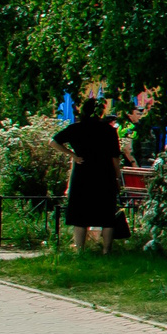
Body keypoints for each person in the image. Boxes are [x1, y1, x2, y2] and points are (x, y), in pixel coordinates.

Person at [54, 96, 126, 254]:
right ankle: (107, 250)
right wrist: (117, 178)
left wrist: (73, 155)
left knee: (80, 215)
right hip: (104, 175)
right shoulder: (109, 130)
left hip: (82, 174)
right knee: (107, 215)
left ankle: (80, 251)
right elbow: (115, 158)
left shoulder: (76, 128)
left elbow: (53, 141)